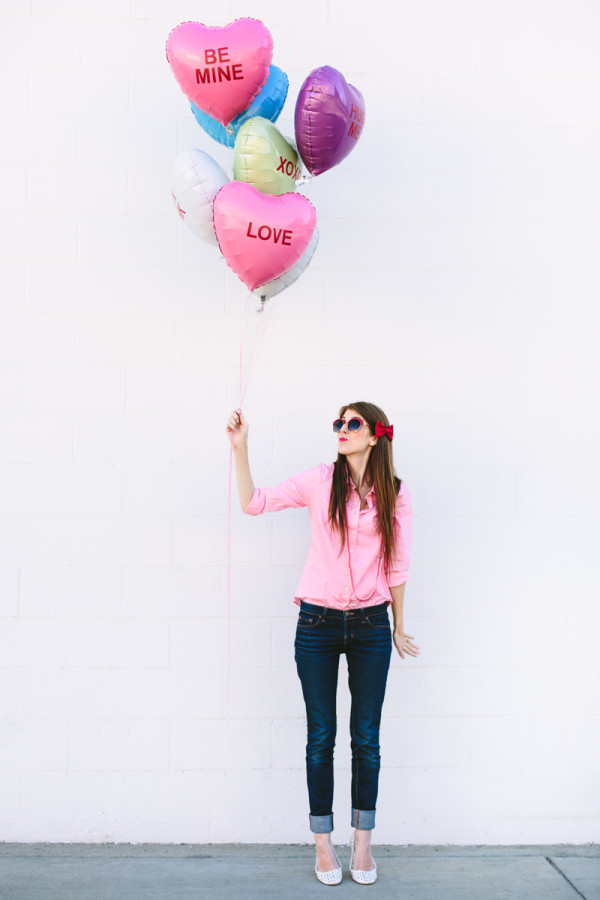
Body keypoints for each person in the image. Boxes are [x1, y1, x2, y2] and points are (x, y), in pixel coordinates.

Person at [225, 402, 420, 885]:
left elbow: (396, 566)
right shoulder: (318, 481)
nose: (342, 430)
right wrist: (241, 448)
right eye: (338, 423)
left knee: (367, 739)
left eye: (352, 423)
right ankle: (322, 845)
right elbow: (254, 502)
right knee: (321, 737)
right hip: (316, 624)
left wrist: (398, 625)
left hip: (372, 625)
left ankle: (362, 843)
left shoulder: (395, 493)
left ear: (375, 435)